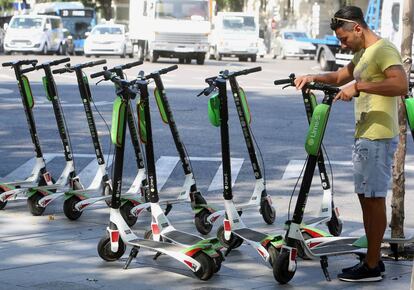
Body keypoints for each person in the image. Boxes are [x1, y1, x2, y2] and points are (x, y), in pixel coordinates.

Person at [294, 6, 408, 282]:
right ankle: (371, 256)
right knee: (365, 198)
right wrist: (313, 78)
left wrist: (359, 87)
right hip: (365, 134)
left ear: (358, 28)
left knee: (374, 199)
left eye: (344, 39)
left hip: (379, 135)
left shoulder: (384, 50)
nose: (342, 44)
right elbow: (339, 77)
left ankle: (372, 265)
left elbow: (400, 85)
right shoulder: (363, 54)